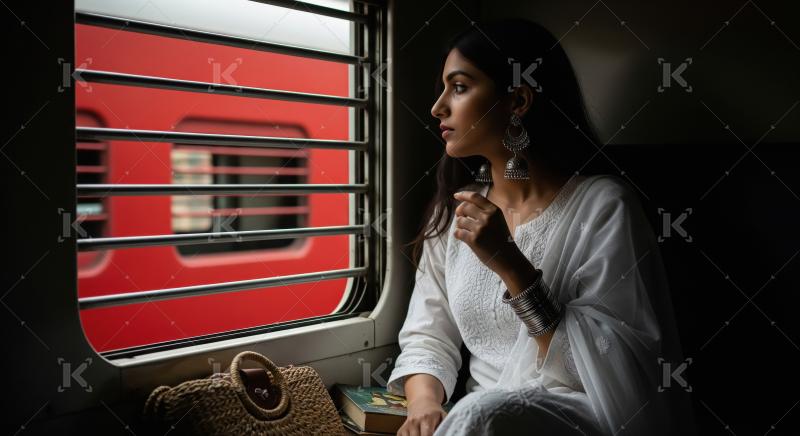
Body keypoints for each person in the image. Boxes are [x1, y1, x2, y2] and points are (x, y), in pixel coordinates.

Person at [387, 18, 697, 436]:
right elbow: (428, 335)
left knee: (484, 413)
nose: (437, 107)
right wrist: (423, 406)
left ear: (517, 100)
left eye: (459, 87)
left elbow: (612, 370)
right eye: (443, 88)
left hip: (576, 414)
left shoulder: (603, 207)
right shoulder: (457, 210)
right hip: (475, 420)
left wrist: (510, 264)